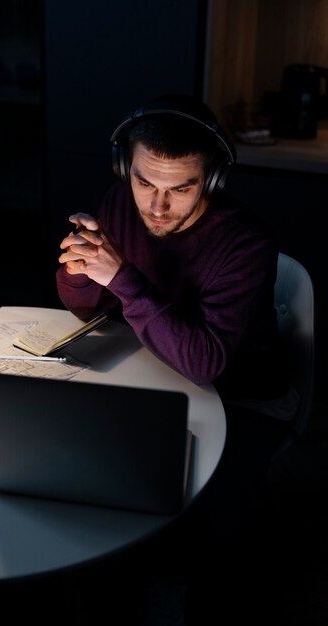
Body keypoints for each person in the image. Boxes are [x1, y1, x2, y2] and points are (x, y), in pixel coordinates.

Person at [56, 94, 298, 624]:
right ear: (127, 168)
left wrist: (120, 277)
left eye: (180, 188)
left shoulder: (246, 242)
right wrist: (81, 268)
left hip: (245, 398)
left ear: (209, 181)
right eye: (145, 182)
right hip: (154, 374)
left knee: (206, 545)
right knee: (83, 483)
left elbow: (205, 362)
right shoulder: (119, 203)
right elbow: (83, 306)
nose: (156, 206)